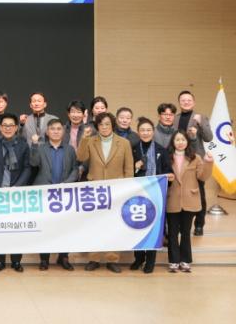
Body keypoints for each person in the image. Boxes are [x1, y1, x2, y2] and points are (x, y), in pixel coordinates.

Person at [76, 112, 134, 273]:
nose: (104, 127)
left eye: (107, 124)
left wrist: (127, 188)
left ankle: (112, 259)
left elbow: (129, 168)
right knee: (94, 225)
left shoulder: (124, 143)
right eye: (101, 124)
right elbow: (81, 157)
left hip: (117, 191)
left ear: (113, 125)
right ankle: (94, 258)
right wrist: (84, 138)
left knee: (114, 225)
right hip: (95, 190)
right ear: (97, 127)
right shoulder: (91, 141)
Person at [0, 113, 31, 272]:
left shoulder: (23, 144)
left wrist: (18, 186)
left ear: (16, 128)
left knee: (16, 230)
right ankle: (0, 261)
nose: (8, 128)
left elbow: (27, 168)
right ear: (0, 127)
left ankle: (16, 261)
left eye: (11, 126)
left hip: (16, 193)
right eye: (5, 126)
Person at [30, 118, 79, 271]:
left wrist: (67, 183)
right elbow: (33, 163)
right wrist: (34, 145)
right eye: (52, 129)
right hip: (45, 195)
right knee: (45, 227)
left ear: (63, 132)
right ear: (47, 132)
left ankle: (63, 257)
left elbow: (75, 169)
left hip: (64, 194)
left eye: (59, 129)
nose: (56, 131)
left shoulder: (70, 149)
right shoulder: (41, 148)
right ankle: (44, 259)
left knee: (65, 228)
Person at [166, 130, 214, 272]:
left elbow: (203, 177)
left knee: (186, 232)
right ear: (173, 142)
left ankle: (185, 260)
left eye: (183, 139)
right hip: (172, 199)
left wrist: (208, 162)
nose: (180, 142)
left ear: (187, 142)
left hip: (190, 200)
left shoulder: (195, 158)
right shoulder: (167, 157)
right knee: (172, 233)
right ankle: (173, 261)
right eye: (177, 140)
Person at [130, 117, 172, 274]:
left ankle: (150, 260)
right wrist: (135, 167)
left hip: (155, 195)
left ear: (153, 132)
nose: (145, 133)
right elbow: (127, 171)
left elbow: (168, 171)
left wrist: (169, 177)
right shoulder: (133, 149)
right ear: (138, 132)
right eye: (142, 130)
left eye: (148, 130)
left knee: (153, 227)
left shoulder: (162, 150)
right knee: (137, 226)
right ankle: (138, 258)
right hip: (136, 195)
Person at [173, 90, 213, 236]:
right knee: (180, 192)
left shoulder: (201, 117)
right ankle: (181, 224)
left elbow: (209, 137)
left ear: (194, 102)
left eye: (189, 100)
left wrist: (200, 123)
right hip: (178, 160)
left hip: (196, 160)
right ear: (179, 102)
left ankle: (199, 224)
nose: (186, 102)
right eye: (183, 100)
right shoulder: (175, 118)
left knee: (199, 193)